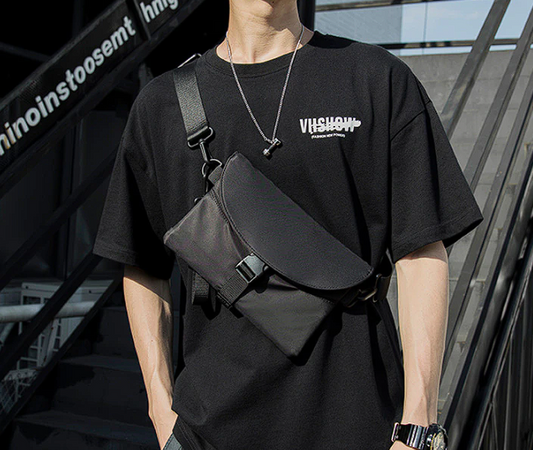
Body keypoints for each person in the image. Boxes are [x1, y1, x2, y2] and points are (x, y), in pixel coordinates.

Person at [92, 0, 484, 449]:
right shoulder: (161, 106)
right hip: (207, 433)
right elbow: (141, 262)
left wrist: (418, 426)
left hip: (360, 425)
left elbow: (421, 251)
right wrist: (161, 411)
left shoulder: (377, 79)